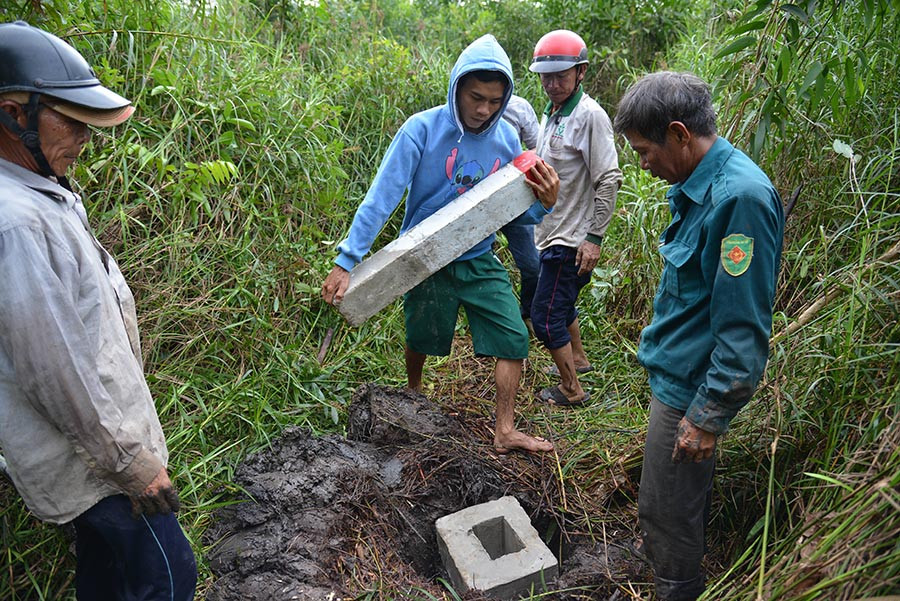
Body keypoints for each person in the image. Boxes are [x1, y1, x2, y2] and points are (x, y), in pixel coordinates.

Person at [0, 21, 197, 600]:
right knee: (168, 578)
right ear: (15, 115)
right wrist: (132, 467)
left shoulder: (40, 190)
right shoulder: (15, 223)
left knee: (108, 579)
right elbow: (54, 369)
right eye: (70, 119)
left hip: (95, 455)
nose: (86, 135)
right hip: (97, 468)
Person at [321, 34, 560, 454]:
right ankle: (415, 395)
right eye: (475, 97)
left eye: (493, 100)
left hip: (478, 257)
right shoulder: (422, 129)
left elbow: (514, 211)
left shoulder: (506, 140)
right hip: (424, 259)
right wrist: (347, 260)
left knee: (513, 338)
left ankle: (504, 430)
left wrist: (546, 203)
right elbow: (382, 198)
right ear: (456, 88)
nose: (483, 109)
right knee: (421, 335)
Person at [613, 71, 785, 601]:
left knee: (668, 515)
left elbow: (743, 328)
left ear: (680, 134)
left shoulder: (740, 200)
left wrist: (706, 416)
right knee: (666, 507)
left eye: (645, 151)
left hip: (693, 390)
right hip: (677, 374)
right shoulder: (698, 184)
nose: (643, 165)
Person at [529, 30, 622, 406]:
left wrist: (594, 237)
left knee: (545, 316)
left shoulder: (589, 116)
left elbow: (609, 178)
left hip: (571, 239)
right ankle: (578, 359)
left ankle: (571, 389)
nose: (551, 84)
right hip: (550, 229)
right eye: (546, 77)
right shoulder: (553, 112)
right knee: (560, 303)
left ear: (581, 72)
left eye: (561, 76)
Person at [500, 94, 541, 326]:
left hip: (514, 199)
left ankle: (528, 314)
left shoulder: (519, 107)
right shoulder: (467, 106)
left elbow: (537, 146)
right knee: (483, 261)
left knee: (532, 265)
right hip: (474, 199)